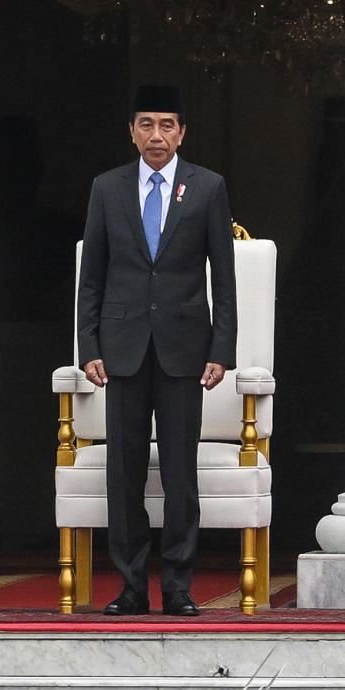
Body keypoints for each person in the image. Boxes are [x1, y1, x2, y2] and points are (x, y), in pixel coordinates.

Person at [77, 84, 238, 617]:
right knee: (123, 474)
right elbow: (92, 276)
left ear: (182, 132)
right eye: (146, 124)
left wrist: (222, 347)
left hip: (184, 349)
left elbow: (225, 277)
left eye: (167, 125)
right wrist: (89, 344)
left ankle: (177, 586)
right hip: (121, 349)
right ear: (131, 130)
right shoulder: (107, 188)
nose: (157, 136)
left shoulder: (208, 188)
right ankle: (129, 585)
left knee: (178, 473)